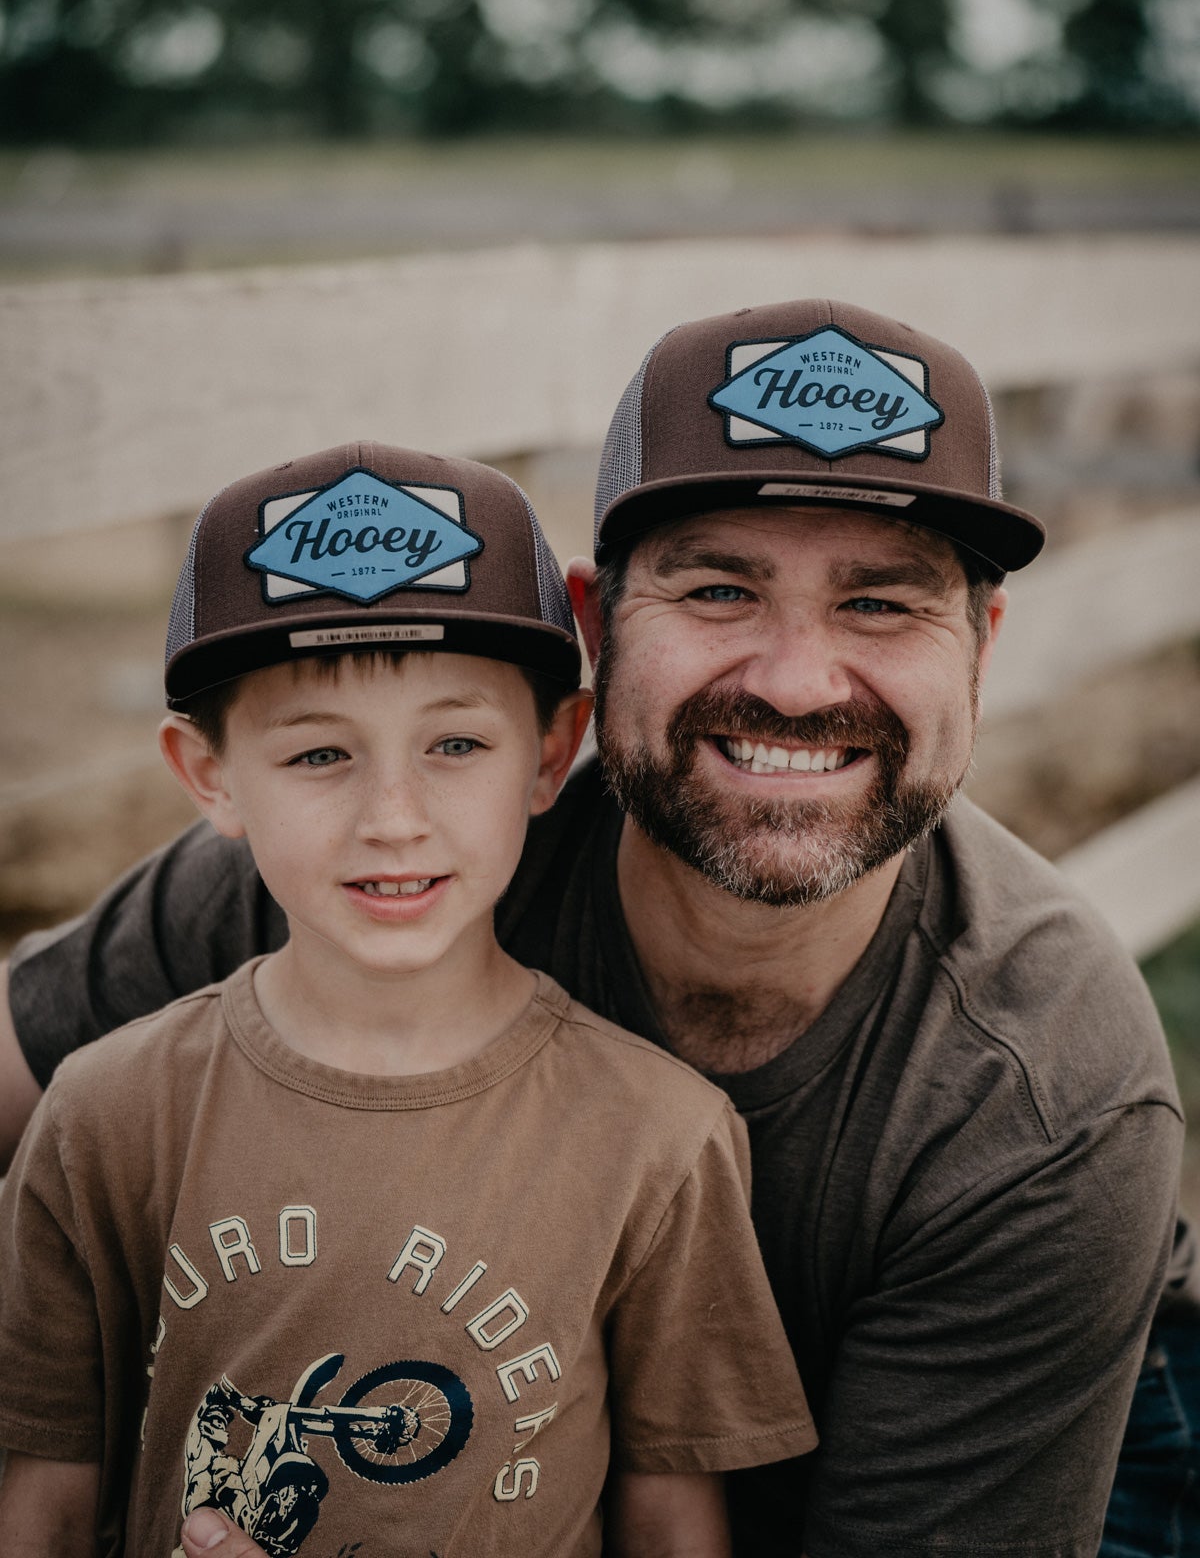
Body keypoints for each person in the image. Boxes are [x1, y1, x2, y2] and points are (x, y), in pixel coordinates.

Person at [0, 298, 1187, 1557]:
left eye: (882, 605)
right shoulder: (379, 867)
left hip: (1040, 1445)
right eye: (721, 588)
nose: (793, 679)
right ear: (597, 628)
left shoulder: (1044, 1094)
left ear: (981, 651)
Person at [0, 441, 816, 1557]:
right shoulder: (104, 1117)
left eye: (454, 744)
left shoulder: (659, 1140)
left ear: (550, 753)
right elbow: (43, 1493)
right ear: (208, 776)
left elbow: (674, 1521)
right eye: (319, 756)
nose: (393, 815)